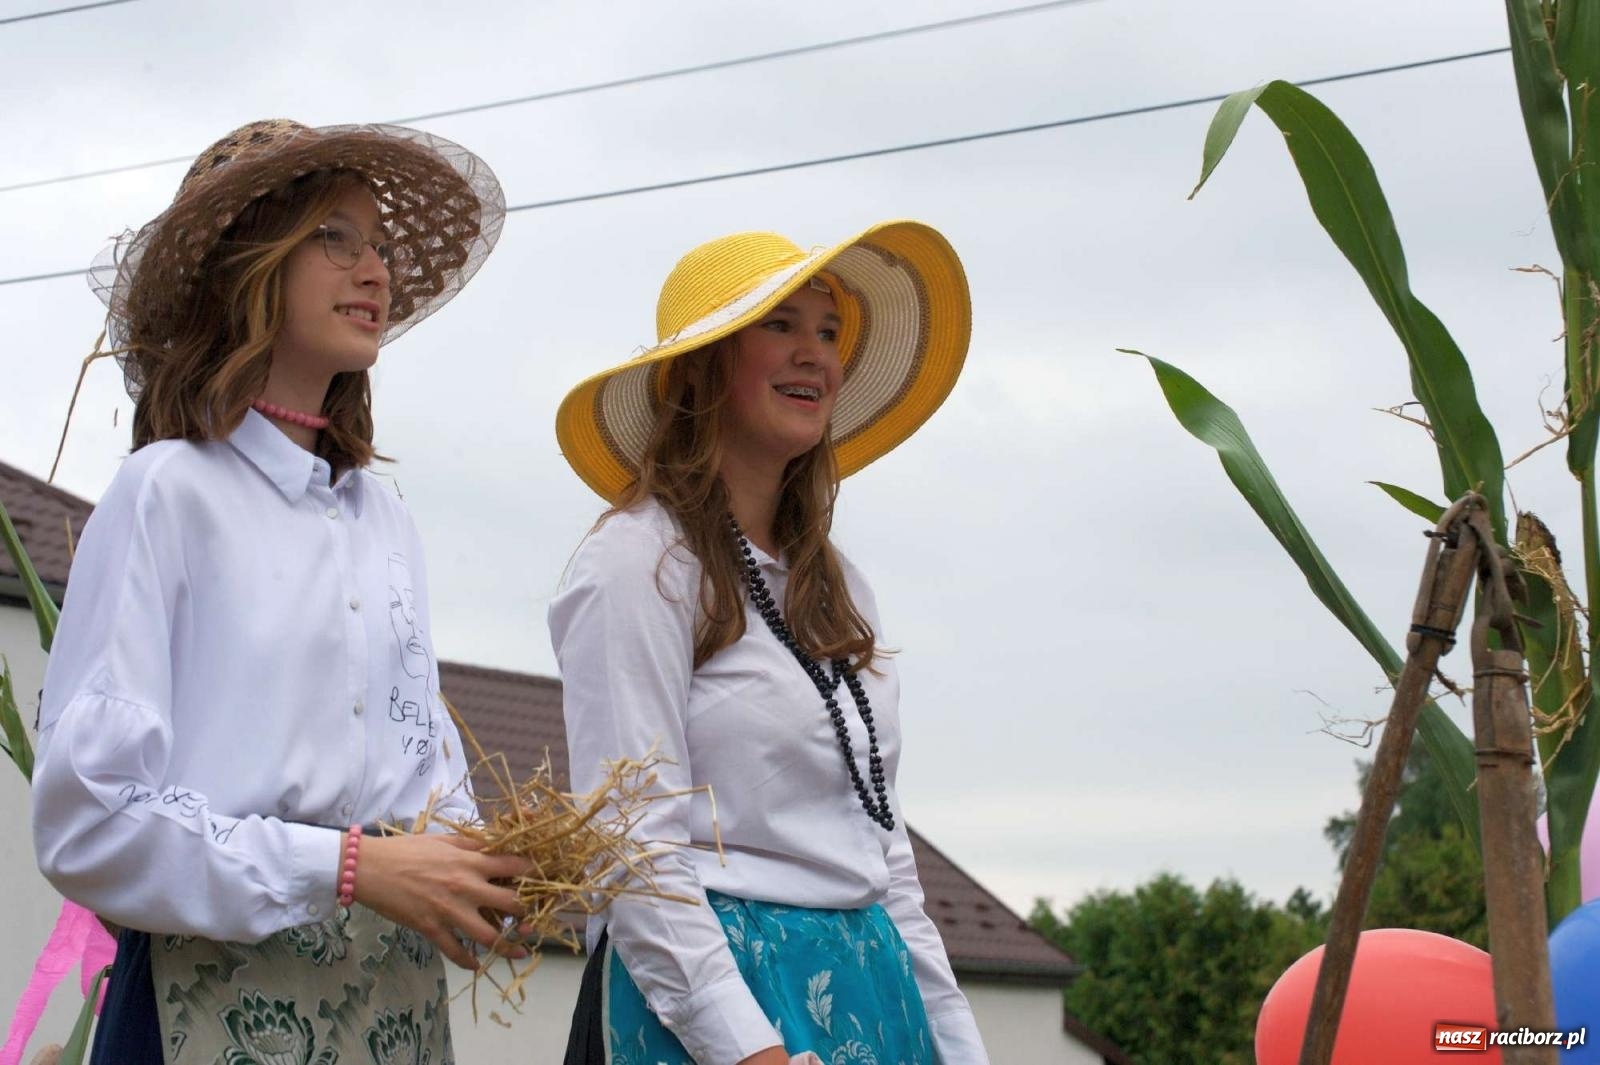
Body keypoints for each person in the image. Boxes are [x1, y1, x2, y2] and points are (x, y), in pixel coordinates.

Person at [31, 119, 520, 1065]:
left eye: (380, 244)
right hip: (208, 1005)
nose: (376, 269)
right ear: (247, 265)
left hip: (391, 1008)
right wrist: (345, 866)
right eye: (337, 237)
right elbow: (88, 819)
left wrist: (479, 859)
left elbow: (427, 774)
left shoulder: (386, 521)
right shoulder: (166, 492)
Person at [550, 222, 989, 1064]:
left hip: (870, 990)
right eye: (779, 326)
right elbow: (631, 848)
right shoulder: (637, 563)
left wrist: (959, 1045)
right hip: (704, 1008)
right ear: (702, 368)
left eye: (828, 333)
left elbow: (883, 852)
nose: (815, 354)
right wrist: (749, 1050)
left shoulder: (838, 586)